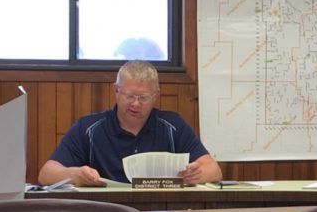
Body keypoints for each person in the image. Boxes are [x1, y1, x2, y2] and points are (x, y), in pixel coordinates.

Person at [38, 60, 222, 186]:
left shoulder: (173, 126)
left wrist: (195, 175)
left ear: (155, 96)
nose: (135, 104)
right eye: (129, 96)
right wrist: (75, 175)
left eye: (143, 97)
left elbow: (214, 170)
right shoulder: (88, 129)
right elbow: (46, 174)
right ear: (116, 91)